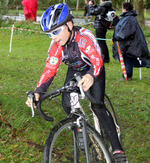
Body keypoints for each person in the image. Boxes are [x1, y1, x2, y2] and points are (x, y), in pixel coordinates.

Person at [25, 3, 128, 162]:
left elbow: (97, 61)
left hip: (93, 68)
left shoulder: (84, 38)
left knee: (97, 105)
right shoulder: (56, 45)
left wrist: (91, 76)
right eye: (49, 34)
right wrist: (39, 91)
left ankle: (117, 149)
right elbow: (49, 69)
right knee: (66, 103)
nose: (54, 37)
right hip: (75, 70)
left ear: (69, 25)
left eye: (56, 32)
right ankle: (81, 128)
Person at [112, 2, 150, 81]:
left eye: (122, 8)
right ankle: (127, 75)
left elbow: (126, 31)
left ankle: (127, 76)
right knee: (127, 58)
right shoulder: (127, 17)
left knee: (128, 58)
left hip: (131, 44)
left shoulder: (129, 18)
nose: (121, 9)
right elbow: (120, 25)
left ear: (125, 9)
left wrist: (117, 37)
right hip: (128, 44)